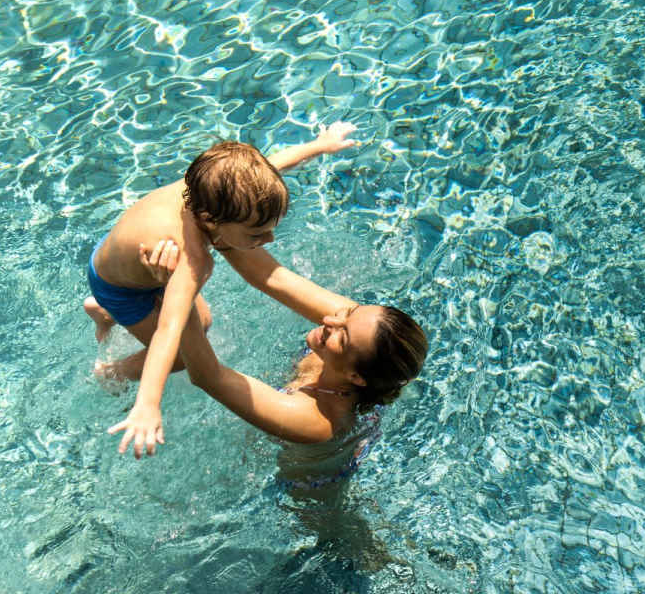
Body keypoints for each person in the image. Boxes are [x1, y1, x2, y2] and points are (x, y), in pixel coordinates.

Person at [84, 123, 356, 458]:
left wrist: (320, 145)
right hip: (121, 288)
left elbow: (270, 166)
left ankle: (103, 315)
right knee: (182, 356)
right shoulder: (192, 260)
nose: (269, 240)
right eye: (256, 234)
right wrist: (148, 403)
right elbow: (169, 329)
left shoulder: (208, 186)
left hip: (115, 252)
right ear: (210, 220)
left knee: (203, 321)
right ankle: (111, 371)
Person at [138, 238, 428, 495]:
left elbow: (208, 377)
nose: (331, 320)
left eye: (342, 335)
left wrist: (176, 289)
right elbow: (271, 276)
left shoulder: (318, 421)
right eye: (350, 312)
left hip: (311, 493)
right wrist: (217, 227)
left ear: (355, 376)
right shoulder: (360, 332)